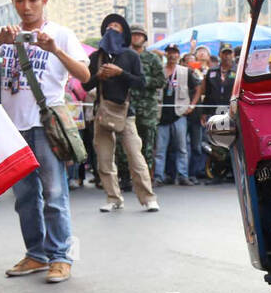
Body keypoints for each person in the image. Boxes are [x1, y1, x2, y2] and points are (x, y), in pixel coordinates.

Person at [0, 0, 89, 284]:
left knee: (54, 194)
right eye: (19, 0)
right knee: (25, 198)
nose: (26, 7)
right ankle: (36, 254)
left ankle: (60, 257)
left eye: (32, 0)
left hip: (45, 125)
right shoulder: (7, 35)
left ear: (45, 0)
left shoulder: (60, 34)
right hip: (12, 129)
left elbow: (85, 75)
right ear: (12, 1)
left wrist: (55, 49)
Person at [85, 13, 159, 213]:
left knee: (136, 156)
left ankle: (148, 198)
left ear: (124, 32)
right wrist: (98, 75)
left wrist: (120, 73)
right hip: (102, 112)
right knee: (104, 159)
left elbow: (141, 83)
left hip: (126, 113)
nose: (112, 29)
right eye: (109, 25)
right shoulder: (96, 57)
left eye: (117, 26)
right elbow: (85, 84)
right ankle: (113, 197)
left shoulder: (130, 56)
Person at [154, 44, 199, 186]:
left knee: (182, 148)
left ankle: (182, 175)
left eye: (175, 53)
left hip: (179, 114)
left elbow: (198, 87)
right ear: (166, 54)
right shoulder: (159, 71)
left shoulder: (185, 71)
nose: (172, 55)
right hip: (161, 115)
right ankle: (158, 177)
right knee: (160, 149)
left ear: (178, 55)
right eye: (169, 53)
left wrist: (192, 105)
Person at [129, 26, 164, 177]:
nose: (136, 37)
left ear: (144, 38)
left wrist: (142, 80)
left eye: (139, 35)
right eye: (133, 35)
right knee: (127, 145)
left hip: (148, 109)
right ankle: (127, 177)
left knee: (147, 145)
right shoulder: (124, 57)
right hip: (128, 107)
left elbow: (161, 80)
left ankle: (147, 176)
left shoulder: (152, 58)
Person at [201, 44, 237, 182]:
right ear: (220, 55)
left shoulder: (237, 71)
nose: (227, 56)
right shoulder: (211, 72)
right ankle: (217, 174)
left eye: (229, 53)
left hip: (231, 113)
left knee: (233, 142)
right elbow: (207, 93)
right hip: (214, 112)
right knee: (216, 142)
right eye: (224, 53)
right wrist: (204, 112)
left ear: (233, 55)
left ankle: (234, 173)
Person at [185, 51, 209, 182]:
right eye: (188, 60)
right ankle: (182, 174)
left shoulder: (201, 75)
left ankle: (194, 173)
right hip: (180, 115)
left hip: (196, 115)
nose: (191, 62)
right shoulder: (180, 74)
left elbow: (202, 91)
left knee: (196, 146)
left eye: (193, 60)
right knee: (183, 147)